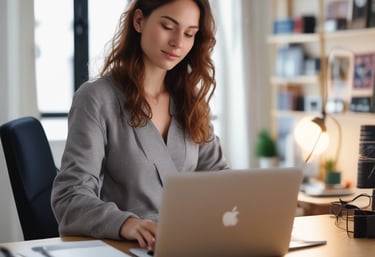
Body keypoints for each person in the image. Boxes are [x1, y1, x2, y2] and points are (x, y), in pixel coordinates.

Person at [51, 0, 229, 252]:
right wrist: (127, 224)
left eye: (190, 33)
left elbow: (219, 178)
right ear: (139, 21)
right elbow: (70, 197)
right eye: (168, 26)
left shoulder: (190, 100)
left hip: (189, 244)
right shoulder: (96, 98)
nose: (178, 42)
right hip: (126, 246)